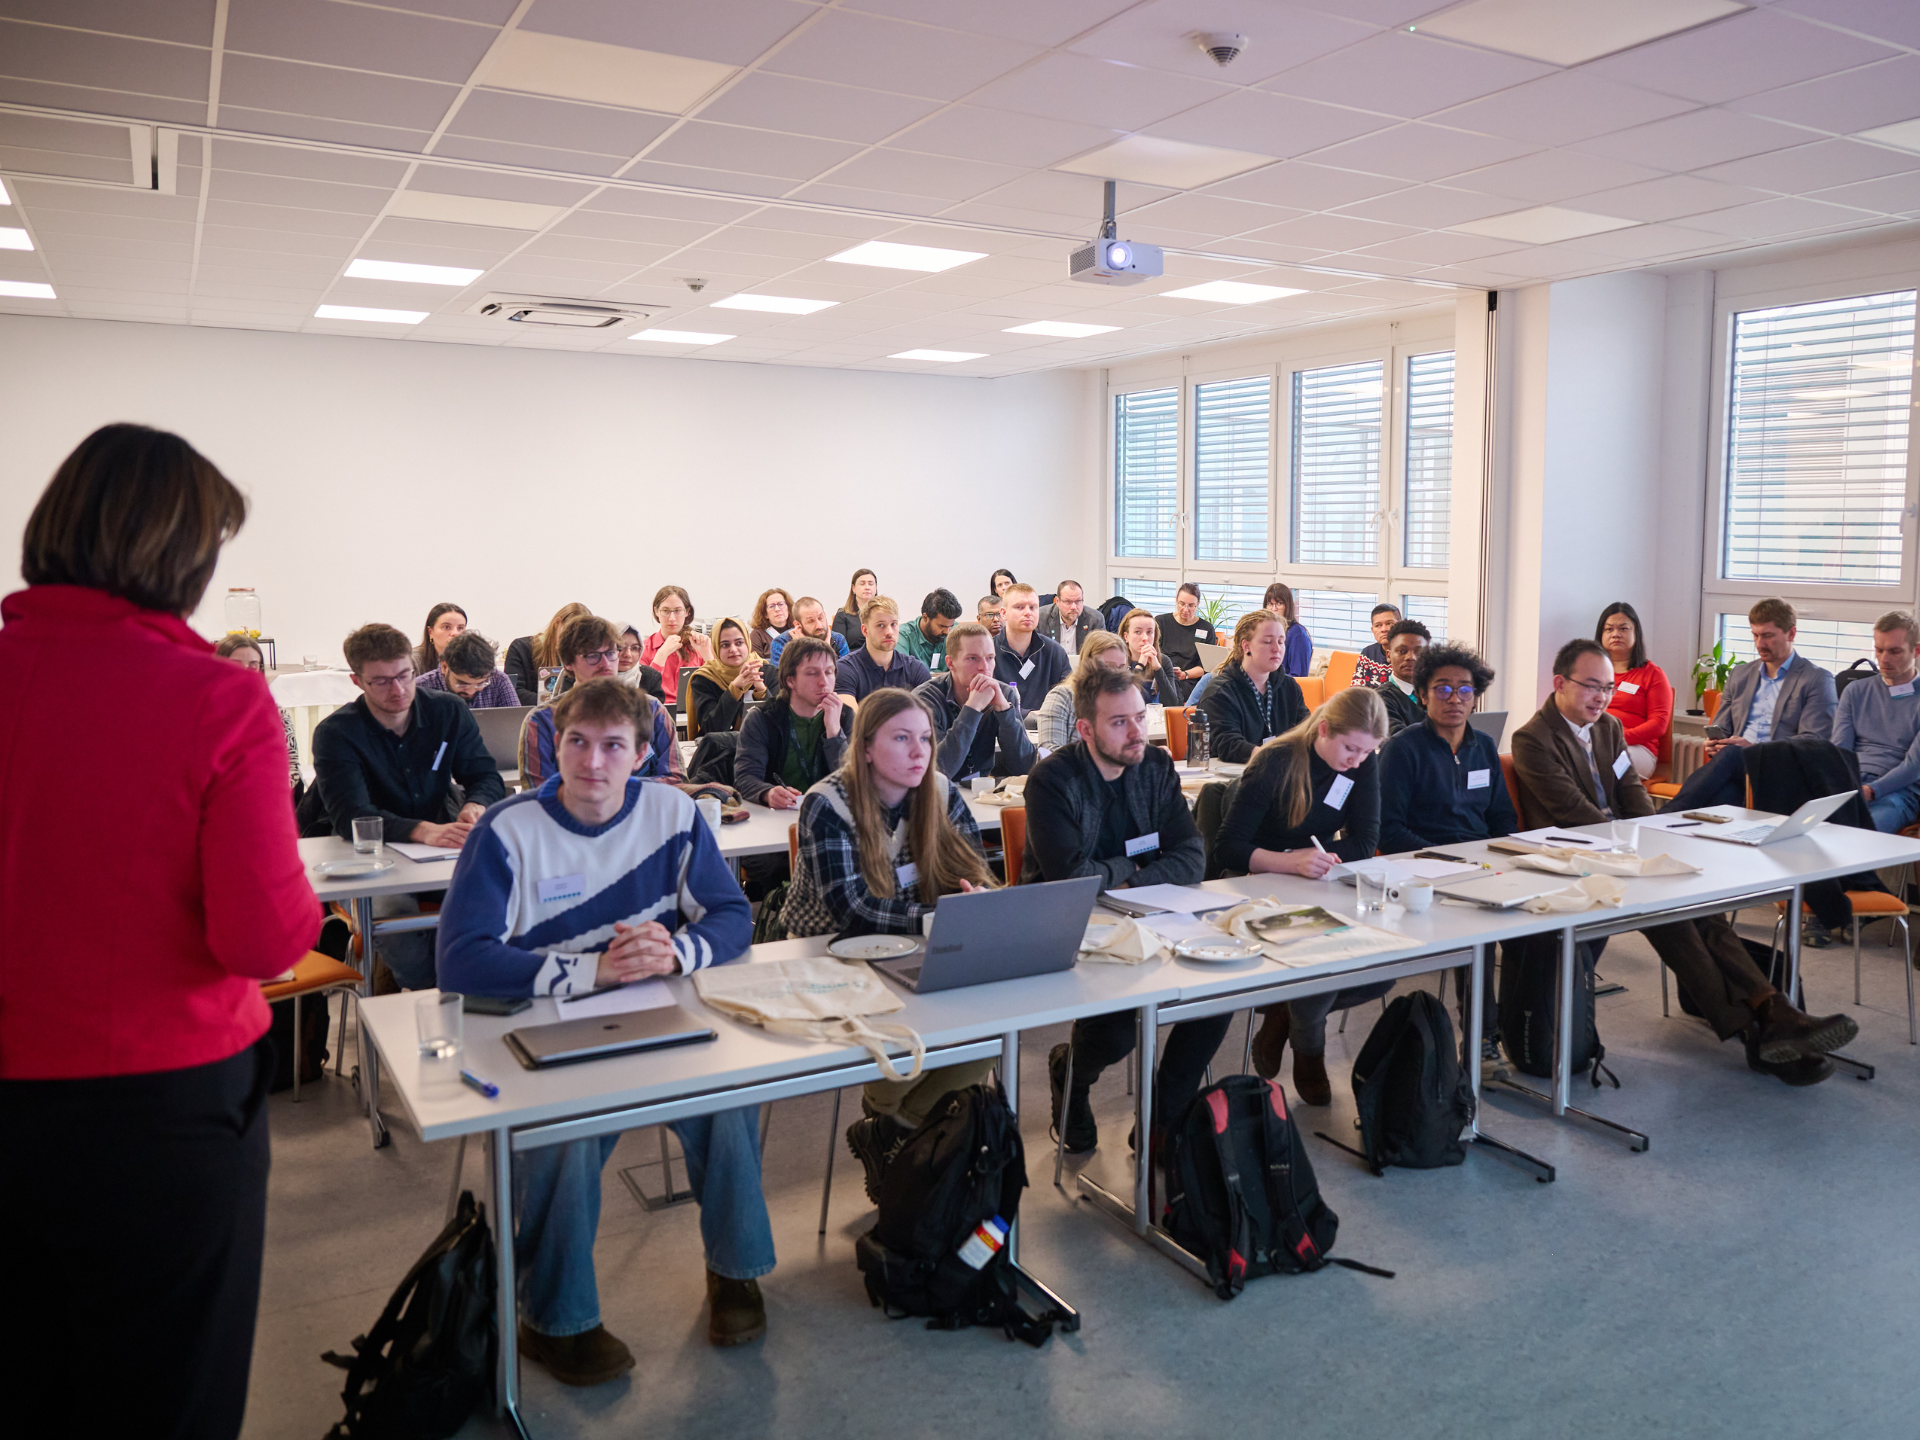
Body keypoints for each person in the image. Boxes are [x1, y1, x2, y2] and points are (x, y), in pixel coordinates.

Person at [2, 424, 317, 1440]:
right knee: (162, 1394)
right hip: (156, 1110)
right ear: (177, 554)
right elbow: (266, 941)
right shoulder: (218, 699)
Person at [437, 679, 771, 1370]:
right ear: (554, 746)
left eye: (613, 746)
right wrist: (595, 972)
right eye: (577, 743)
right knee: (563, 1138)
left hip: (657, 1011)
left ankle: (735, 1274)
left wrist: (677, 950)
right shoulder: (509, 829)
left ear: (643, 754)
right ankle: (556, 1318)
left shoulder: (674, 814)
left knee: (729, 1104)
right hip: (543, 1024)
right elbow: (462, 962)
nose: (592, 763)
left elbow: (732, 916)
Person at [1512, 638, 1855, 1084]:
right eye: (1591, 686)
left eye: (1608, 688)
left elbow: (1630, 789)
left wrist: (1654, 835)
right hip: (1577, 860)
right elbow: (1573, 812)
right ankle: (1765, 1024)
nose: (1601, 697)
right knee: (1672, 915)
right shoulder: (1532, 739)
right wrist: (1637, 846)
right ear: (1560, 683)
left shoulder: (1607, 728)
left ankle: (1768, 1022)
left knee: (1698, 909)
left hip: (1626, 852)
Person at [782, 689, 999, 1199]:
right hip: (830, 958)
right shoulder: (828, 802)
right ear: (866, 749)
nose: (920, 751)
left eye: (925, 738)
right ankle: (896, 1123)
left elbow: (976, 872)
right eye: (902, 739)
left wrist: (978, 898)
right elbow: (852, 912)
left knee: (991, 1023)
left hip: (912, 947)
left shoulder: (940, 791)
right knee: (930, 1024)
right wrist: (942, 919)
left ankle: (892, 1133)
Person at [1032, 666, 1210, 1152]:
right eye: (1119, 723)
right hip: (1077, 926)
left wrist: (1127, 877)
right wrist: (1137, 863)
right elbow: (1070, 880)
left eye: (1139, 717)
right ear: (1085, 729)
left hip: (1156, 912)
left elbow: (1192, 857)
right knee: (1116, 1033)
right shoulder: (1052, 780)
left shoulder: (1153, 765)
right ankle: (1073, 1075)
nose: (1136, 732)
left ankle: (1163, 1121)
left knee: (1217, 999)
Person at [1216, 688, 1392, 1104]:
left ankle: (1287, 1012)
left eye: (1368, 753)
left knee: (1383, 969)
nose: (1357, 761)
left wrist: (1319, 859)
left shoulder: (1362, 764)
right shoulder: (1278, 760)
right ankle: (1309, 1047)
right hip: (1256, 887)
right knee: (1318, 957)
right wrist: (1290, 861)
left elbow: (1366, 841)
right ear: (1325, 730)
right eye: (1351, 749)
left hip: (1317, 884)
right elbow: (1228, 847)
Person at [309, 622, 505, 990]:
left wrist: (476, 805)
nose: (398, 690)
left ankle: (470, 986)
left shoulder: (447, 711)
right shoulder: (337, 733)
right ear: (357, 682)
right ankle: (437, 996)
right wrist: (423, 830)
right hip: (370, 853)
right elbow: (352, 815)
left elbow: (484, 775)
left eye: (404, 675)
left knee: (496, 896)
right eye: (381, 682)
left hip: (439, 845)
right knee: (394, 919)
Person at [1663, 598, 1839, 811]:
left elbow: (1814, 742)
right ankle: (1662, 827)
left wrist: (1756, 750)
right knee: (1720, 797)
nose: (1759, 644)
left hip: (1781, 771)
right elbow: (1723, 728)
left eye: (1768, 636)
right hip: (1738, 769)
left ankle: (1658, 819)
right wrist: (1715, 744)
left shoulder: (1817, 679)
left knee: (1726, 774)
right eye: (1755, 635)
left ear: (1791, 634)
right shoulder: (1740, 675)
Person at [1378, 643, 1517, 854]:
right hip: (1423, 862)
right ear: (1423, 696)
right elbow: (1388, 829)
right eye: (1443, 690)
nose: (1454, 699)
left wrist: (1504, 856)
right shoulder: (1402, 749)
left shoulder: (1484, 746)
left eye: (1465, 690)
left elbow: (1502, 817)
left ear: (1474, 699)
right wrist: (1444, 856)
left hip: (1482, 860)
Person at [522, 615, 684, 790]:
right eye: (592, 655)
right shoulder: (542, 719)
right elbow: (539, 790)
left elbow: (675, 778)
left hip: (645, 811)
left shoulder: (652, 710)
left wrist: (619, 792)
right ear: (568, 662)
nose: (605, 664)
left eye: (611, 653)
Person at [914, 620, 1035, 784]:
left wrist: (1003, 710)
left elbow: (1024, 768)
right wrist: (972, 709)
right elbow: (939, 772)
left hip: (981, 792)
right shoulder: (925, 700)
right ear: (951, 663)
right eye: (973, 658)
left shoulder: (1004, 694)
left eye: (990, 658)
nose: (984, 667)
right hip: (937, 796)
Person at [1832, 610, 1920, 833]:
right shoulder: (1855, 691)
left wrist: (1872, 790)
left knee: (1860, 833)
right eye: (1879, 650)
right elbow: (1840, 750)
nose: (1883, 659)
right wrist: (1842, 786)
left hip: (1898, 791)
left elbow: (1913, 767)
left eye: (1894, 651)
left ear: (1916, 651)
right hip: (1851, 783)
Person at [735, 636, 848, 809]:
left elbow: (853, 783)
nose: (824, 682)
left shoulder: (845, 716)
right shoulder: (762, 718)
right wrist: (767, 793)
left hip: (833, 814)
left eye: (829, 672)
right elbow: (745, 778)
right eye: (812, 673)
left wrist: (834, 733)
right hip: (779, 816)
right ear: (790, 680)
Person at [1196, 610, 1308, 764]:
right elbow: (1229, 745)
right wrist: (1273, 757)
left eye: (1281, 641)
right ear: (1246, 646)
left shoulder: (1289, 687)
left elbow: (1307, 732)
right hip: (1229, 778)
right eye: (1268, 641)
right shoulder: (1220, 692)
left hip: (1280, 773)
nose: (1277, 648)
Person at [216, 632, 302, 789]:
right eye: (236, 663)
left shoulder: (276, 713)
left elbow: (291, 767)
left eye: (253, 664)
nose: (245, 670)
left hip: (268, 794)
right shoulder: (206, 713)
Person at [1597, 601, 1672, 779]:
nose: (1616, 634)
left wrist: (1619, 738)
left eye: (1623, 629)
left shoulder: (1653, 674)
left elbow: (1659, 724)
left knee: (1606, 761)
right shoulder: (1591, 672)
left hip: (1637, 750)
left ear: (1636, 633)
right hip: (1595, 743)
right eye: (1609, 629)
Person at [1032, 631, 1128, 752]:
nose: (1117, 674)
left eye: (1121, 668)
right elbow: (1049, 752)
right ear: (1088, 664)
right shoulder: (1062, 697)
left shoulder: (1126, 701)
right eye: (1109, 666)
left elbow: (1138, 750)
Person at [836, 595, 931, 702]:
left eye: (893, 624)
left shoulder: (915, 669)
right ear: (865, 630)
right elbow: (852, 717)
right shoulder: (845, 669)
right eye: (881, 625)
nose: (889, 632)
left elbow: (929, 714)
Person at [994, 582, 1071, 709]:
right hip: (1000, 726)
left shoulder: (1054, 651)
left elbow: (1069, 698)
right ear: (1003, 613)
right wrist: (1028, 716)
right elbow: (984, 704)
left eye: (1033, 607)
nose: (1028, 613)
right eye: (1019, 607)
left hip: (1046, 725)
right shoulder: (988, 652)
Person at [688, 617, 768, 735]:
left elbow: (780, 723)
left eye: (739, 643)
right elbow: (711, 729)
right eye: (725, 645)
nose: (733, 649)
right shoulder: (704, 678)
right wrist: (734, 688)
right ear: (715, 647)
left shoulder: (765, 671)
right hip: (722, 751)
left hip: (764, 750)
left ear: (747, 643)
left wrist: (761, 690)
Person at [505, 601, 588, 706]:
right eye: (569, 634)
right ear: (557, 623)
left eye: (580, 637)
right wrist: (554, 703)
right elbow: (513, 693)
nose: (573, 641)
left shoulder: (583, 658)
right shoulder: (521, 648)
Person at [641, 585, 712, 706]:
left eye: (678, 611)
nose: (672, 618)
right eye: (665, 611)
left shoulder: (699, 644)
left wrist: (708, 656)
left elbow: (716, 689)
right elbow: (641, 693)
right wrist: (661, 655)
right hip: (657, 714)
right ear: (656, 611)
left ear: (687, 612)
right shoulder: (644, 648)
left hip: (694, 714)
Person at [416, 629, 520, 708]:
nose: (470, 691)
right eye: (462, 683)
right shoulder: (419, 688)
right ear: (445, 667)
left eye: (480, 683)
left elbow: (516, 727)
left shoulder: (499, 680)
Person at [1372, 618, 1430, 734]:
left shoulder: (1436, 692)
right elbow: (1400, 742)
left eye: (1418, 652)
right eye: (1402, 651)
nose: (1411, 657)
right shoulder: (1381, 699)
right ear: (1389, 655)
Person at [1115, 607, 1184, 705]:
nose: (1145, 638)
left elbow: (1172, 704)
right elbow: (1123, 702)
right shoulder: (1117, 661)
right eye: (1138, 632)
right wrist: (1140, 666)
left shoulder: (1163, 661)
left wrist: (1158, 669)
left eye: (1149, 632)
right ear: (1126, 636)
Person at [1156, 582, 1218, 685]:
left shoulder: (1206, 629)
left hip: (1189, 679)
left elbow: (1205, 666)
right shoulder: (1161, 622)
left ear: (1197, 604)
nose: (1185, 609)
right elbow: (1154, 654)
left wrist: (1184, 674)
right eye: (1182, 604)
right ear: (1176, 600)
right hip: (1162, 676)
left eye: (1191, 605)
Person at [768, 596, 851, 667]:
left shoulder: (838, 639)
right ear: (798, 624)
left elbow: (844, 677)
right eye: (811, 621)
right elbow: (784, 681)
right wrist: (802, 649)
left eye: (820, 618)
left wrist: (826, 649)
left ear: (825, 615)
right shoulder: (781, 643)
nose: (819, 625)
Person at [899, 588, 962, 674]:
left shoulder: (957, 632)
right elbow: (901, 673)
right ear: (925, 617)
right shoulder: (904, 635)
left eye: (950, 626)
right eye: (942, 626)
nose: (947, 632)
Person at [1038, 578, 1106, 654]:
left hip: (1082, 665)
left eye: (1078, 601)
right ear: (1057, 601)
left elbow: (1100, 655)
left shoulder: (1095, 619)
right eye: (1068, 602)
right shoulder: (1040, 617)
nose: (1074, 607)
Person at [1264, 582, 1313, 677]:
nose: (1273, 609)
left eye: (1279, 603)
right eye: (1270, 604)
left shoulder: (1298, 634)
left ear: (1288, 606)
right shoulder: (1267, 632)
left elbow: (1299, 677)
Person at [611, 619, 665, 700]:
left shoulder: (650, 678)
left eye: (634, 648)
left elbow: (657, 711)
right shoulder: (596, 678)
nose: (628, 654)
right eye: (620, 647)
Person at [412, 601, 466, 674]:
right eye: (447, 627)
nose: (455, 633)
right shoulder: (412, 661)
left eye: (460, 628)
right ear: (430, 632)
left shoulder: (472, 660)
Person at [834, 568, 878, 652]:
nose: (867, 587)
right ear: (853, 588)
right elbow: (838, 647)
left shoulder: (883, 614)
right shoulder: (842, 615)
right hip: (851, 661)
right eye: (862, 584)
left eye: (871, 584)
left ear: (875, 588)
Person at [749, 588, 793, 659]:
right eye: (771, 606)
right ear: (765, 613)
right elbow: (757, 664)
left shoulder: (797, 630)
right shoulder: (757, 635)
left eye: (781, 604)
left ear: (788, 609)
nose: (777, 609)